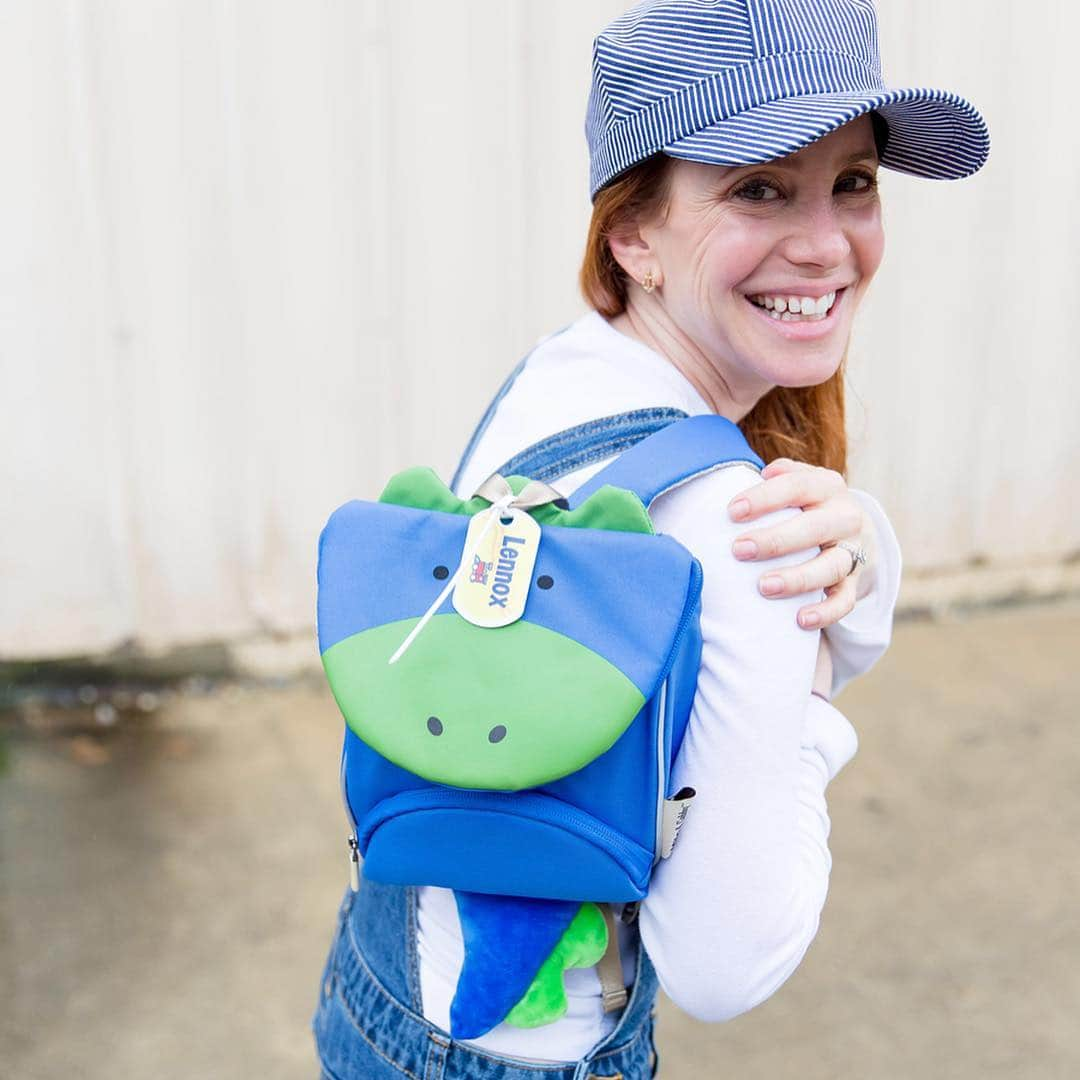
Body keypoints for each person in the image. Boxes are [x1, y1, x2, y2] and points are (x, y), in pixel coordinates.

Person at [312, 2, 989, 1077]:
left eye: (853, 181)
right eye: (758, 186)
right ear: (632, 235)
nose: (825, 242)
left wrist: (868, 550)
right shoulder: (747, 531)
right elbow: (728, 962)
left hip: (382, 982)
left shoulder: (569, 372)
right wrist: (804, 701)